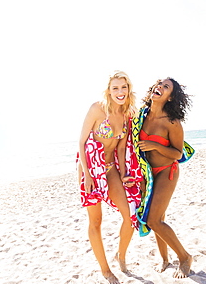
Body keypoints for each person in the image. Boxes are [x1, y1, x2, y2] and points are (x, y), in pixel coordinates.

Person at [77, 71, 140, 283]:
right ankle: (105, 270)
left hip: (111, 167)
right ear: (109, 90)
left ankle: (121, 256)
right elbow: (81, 142)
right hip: (90, 169)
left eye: (124, 87)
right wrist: (86, 175)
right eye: (115, 88)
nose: (120, 92)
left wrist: (124, 175)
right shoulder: (97, 109)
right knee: (96, 221)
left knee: (130, 216)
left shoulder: (128, 114)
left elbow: (121, 148)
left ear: (128, 89)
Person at [136, 77, 193, 278]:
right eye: (159, 83)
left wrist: (155, 146)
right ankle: (165, 259)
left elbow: (177, 153)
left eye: (166, 86)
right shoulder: (141, 117)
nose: (159, 86)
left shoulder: (172, 122)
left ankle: (185, 257)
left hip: (167, 171)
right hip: (148, 173)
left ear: (170, 97)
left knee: (153, 220)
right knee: (158, 218)